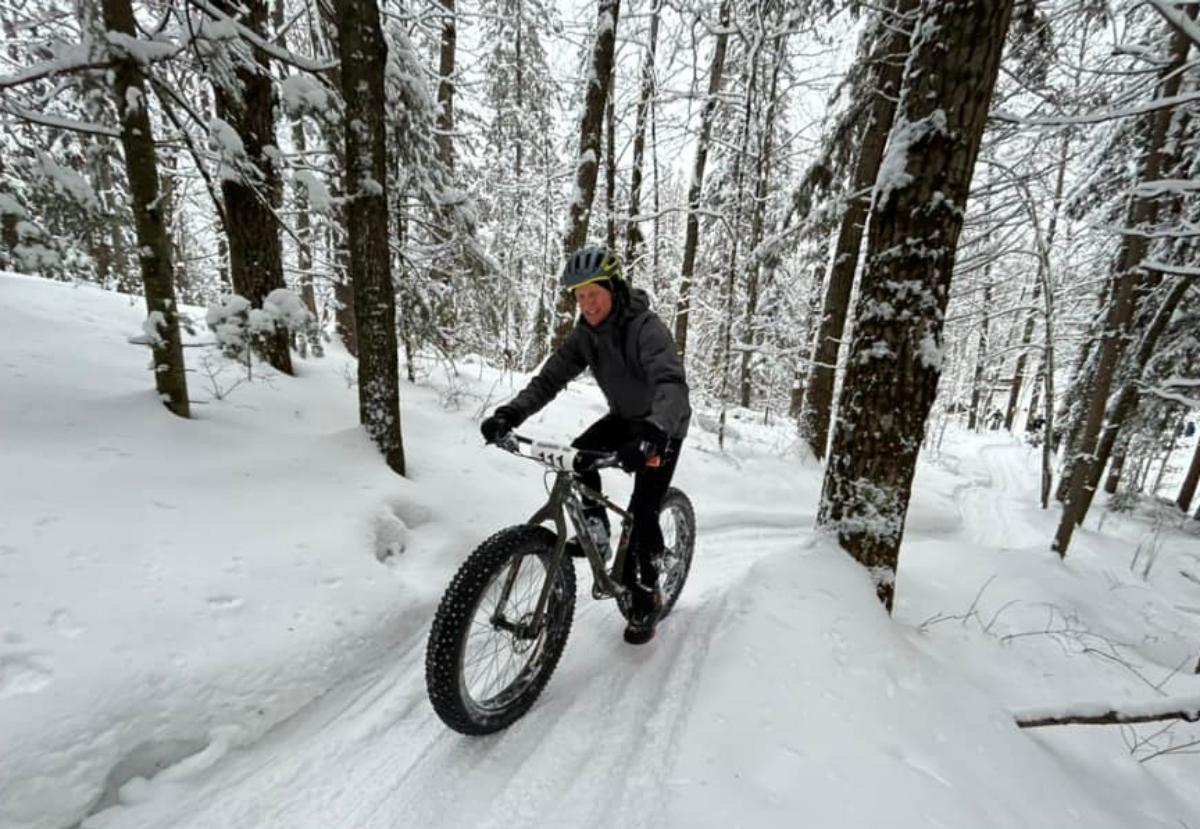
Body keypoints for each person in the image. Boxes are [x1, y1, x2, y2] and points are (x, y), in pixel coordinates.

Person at [480, 245, 691, 645]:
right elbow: (549, 380)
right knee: (578, 456)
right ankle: (596, 529)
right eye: (579, 296)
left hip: (663, 426)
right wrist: (510, 414)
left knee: (644, 509)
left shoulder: (646, 328)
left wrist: (654, 432)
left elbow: (671, 383)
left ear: (615, 288)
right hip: (625, 418)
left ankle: (647, 592)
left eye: (594, 292)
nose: (587, 303)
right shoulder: (585, 336)